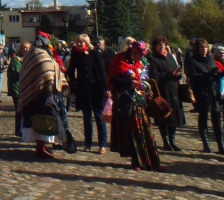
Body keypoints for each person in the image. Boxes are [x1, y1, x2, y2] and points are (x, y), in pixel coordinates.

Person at [108, 41, 164, 171]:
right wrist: (129, 83)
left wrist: (150, 87)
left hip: (142, 101)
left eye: (142, 54)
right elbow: (113, 79)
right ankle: (136, 161)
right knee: (134, 133)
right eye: (138, 54)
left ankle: (153, 162)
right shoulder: (120, 59)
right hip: (128, 102)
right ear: (133, 51)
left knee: (148, 133)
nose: (140, 57)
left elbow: (151, 76)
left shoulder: (144, 62)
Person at [17, 32, 71, 159]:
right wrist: (49, 94)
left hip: (35, 94)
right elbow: (47, 76)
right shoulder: (41, 56)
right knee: (42, 122)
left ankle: (42, 147)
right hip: (41, 96)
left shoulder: (33, 54)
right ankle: (41, 149)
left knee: (40, 122)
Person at [67, 34, 108, 153]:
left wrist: (106, 88)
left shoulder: (94, 53)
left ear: (87, 42)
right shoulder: (75, 55)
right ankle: (88, 144)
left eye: (82, 42)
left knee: (99, 117)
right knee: (87, 118)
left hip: (96, 89)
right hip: (83, 89)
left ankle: (102, 145)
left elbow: (102, 71)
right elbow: (70, 70)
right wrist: (74, 82)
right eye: (78, 42)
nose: (80, 44)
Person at [185, 38, 224, 153]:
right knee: (204, 118)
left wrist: (221, 74)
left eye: (205, 47)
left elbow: (216, 75)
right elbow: (193, 77)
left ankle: (221, 145)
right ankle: (206, 145)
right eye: (201, 47)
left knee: (217, 119)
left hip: (214, 92)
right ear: (197, 49)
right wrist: (207, 75)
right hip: (202, 92)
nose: (204, 50)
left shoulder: (211, 60)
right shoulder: (193, 61)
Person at [148, 36, 185, 151]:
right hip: (163, 91)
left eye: (163, 44)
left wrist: (178, 74)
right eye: (159, 45)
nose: (162, 46)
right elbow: (155, 77)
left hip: (174, 89)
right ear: (155, 46)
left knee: (173, 117)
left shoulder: (170, 57)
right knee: (163, 116)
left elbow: (175, 69)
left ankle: (173, 141)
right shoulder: (153, 59)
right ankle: (166, 142)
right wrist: (170, 74)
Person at [8, 41, 31, 136]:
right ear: (20, 49)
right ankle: (18, 129)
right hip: (17, 88)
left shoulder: (29, 59)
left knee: (25, 109)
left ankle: (24, 128)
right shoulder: (16, 60)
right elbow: (17, 73)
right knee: (19, 109)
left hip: (24, 87)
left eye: (27, 48)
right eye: (23, 48)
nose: (25, 49)